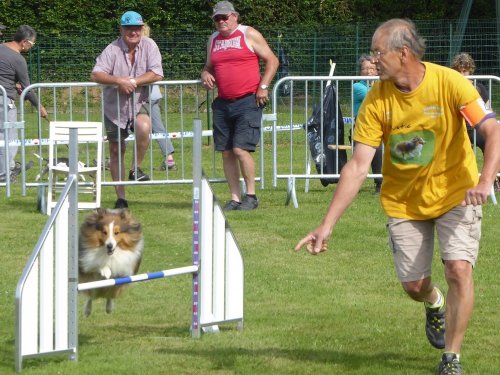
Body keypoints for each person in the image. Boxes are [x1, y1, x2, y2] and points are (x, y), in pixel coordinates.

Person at [295, 19, 500, 375]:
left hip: (456, 194)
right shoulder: (376, 99)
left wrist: (485, 181)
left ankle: (452, 358)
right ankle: (433, 303)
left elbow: (492, 129)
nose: (373, 62)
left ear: (403, 53)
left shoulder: (451, 83)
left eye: (378, 53)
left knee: (458, 268)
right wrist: (326, 225)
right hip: (404, 201)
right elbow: (359, 166)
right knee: (414, 285)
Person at [201, 1, 279, 211]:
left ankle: (251, 196)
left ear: (235, 16)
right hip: (223, 102)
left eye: (225, 17)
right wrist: (206, 74)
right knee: (226, 152)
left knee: (240, 149)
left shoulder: (249, 34)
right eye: (217, 18)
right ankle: (235, 198)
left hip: (248, 101)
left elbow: (272, 60)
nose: (221, 21)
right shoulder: (213, 40)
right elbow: (209, 66)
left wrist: (263, 86)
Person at [91, 11, 163, 208]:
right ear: (121, 29)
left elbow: (157, 73)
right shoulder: (112, 49)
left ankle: (135, 168)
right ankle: (120, 196)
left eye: (137, 28)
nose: (133, 32)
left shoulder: (150, 45)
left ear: (142, 29)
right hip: (114, 108)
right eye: (129, 28)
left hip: (140, 101)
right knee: (116, 150)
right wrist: (118, 81)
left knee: (144, 124)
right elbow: (96, 74)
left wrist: (133, 82)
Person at [0, 25, 48, 183]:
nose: (31, 47)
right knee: (9, 137)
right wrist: (39, 106)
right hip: (4, 102)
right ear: (25, 42)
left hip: (4, 93)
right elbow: (28, 89)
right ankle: (4, 174)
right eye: (32, 44)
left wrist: (14, 85)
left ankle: (8, 166)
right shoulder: (18, 59)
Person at [142, 23, 176, 171]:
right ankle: (169, 159)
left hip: (144, 96)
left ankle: (112, 159)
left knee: (124, 126)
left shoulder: (144, 49)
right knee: (158, 128)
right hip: (153, 94)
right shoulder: (151, 47)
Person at [352, 54, 382, 193]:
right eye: (365, 69)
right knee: (374, 148)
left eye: (372, 68)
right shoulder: (357, 86)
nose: (369, 71)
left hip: (381, 125)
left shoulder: (382, 85)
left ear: (377, 70)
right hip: (362, 126)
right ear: (360, 71)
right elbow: (372, 94)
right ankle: (376, 182)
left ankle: (382, 182)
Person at [450, 52, 489, 155]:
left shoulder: (479, 88)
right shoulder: (451, 88)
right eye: (458, 71)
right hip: (459, 129)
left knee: (491, 143)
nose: (462, 75)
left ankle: (495, 171)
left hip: (477, 127)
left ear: (470, 71)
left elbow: (488, 109)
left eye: (464, 71)